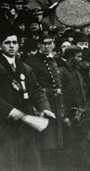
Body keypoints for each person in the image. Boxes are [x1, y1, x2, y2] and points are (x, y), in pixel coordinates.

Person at [0, 29, 53, 171]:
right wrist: (10, 110)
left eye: (14, 42)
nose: (12, 46)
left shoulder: (25, 68)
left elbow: (36, 90)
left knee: (30, 162)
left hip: (26, 125)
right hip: (4, 125)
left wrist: (44, 108)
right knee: (10, 163)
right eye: (7, 43)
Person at [24, 31, 65, 170]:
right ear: (39, 45)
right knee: (47, 142)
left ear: (53, 44)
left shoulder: (56, 60)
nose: (47, 46)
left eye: (50, 43)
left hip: (58, 104)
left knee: (59, 142)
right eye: (44, 44)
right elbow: (33, 87)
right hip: (44, 104)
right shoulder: (31, 62)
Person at [60, 46, 88, 170]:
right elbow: (59, 96)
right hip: (69, 117)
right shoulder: (61, 72)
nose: (81, 59)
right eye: (79, 57)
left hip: (80, 117)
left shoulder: (77, 72)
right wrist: (64, 116)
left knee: (80, 148)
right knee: (69, 149)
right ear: (71, 57)